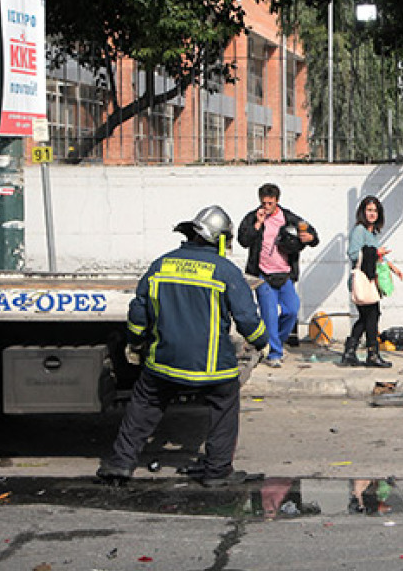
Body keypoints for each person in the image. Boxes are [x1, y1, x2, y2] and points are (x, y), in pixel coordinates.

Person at [97, 205, 269, 487]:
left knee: (144, 403)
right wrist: (262, 343)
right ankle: (216, 472)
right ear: (220, 239)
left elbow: (139, 313)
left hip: (163, 361)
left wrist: (136, 341)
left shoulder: (161, 265)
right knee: (225, 404)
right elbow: (248, 319)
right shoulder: (225, 271)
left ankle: (120, 463)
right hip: (212, 367)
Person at [237, 183, 318, 368]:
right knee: (270, 314)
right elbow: (243, 240)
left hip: (285, 274)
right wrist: (257, 224)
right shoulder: (253, 218)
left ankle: (274, 342)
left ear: (277, 202)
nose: (266, 207)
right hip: (262, 274)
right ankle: (274, 353)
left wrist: (310, 238)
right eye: (263, 203)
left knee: (291, 310)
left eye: (270, 203)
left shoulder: (289, 218)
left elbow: (312, 234)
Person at [340, 195, 402, 368]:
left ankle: (350, 352)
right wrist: (375, 253)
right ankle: (372, 354)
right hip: (362, 281)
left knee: (367, 317)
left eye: (375, 211)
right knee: (371, 316)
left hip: (370, 280)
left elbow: (377, 255)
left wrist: (392, 267)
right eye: (369, 210)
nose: (372, 214)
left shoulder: (371, 232)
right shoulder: (359, 231)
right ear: (363, 212)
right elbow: (353, 254)